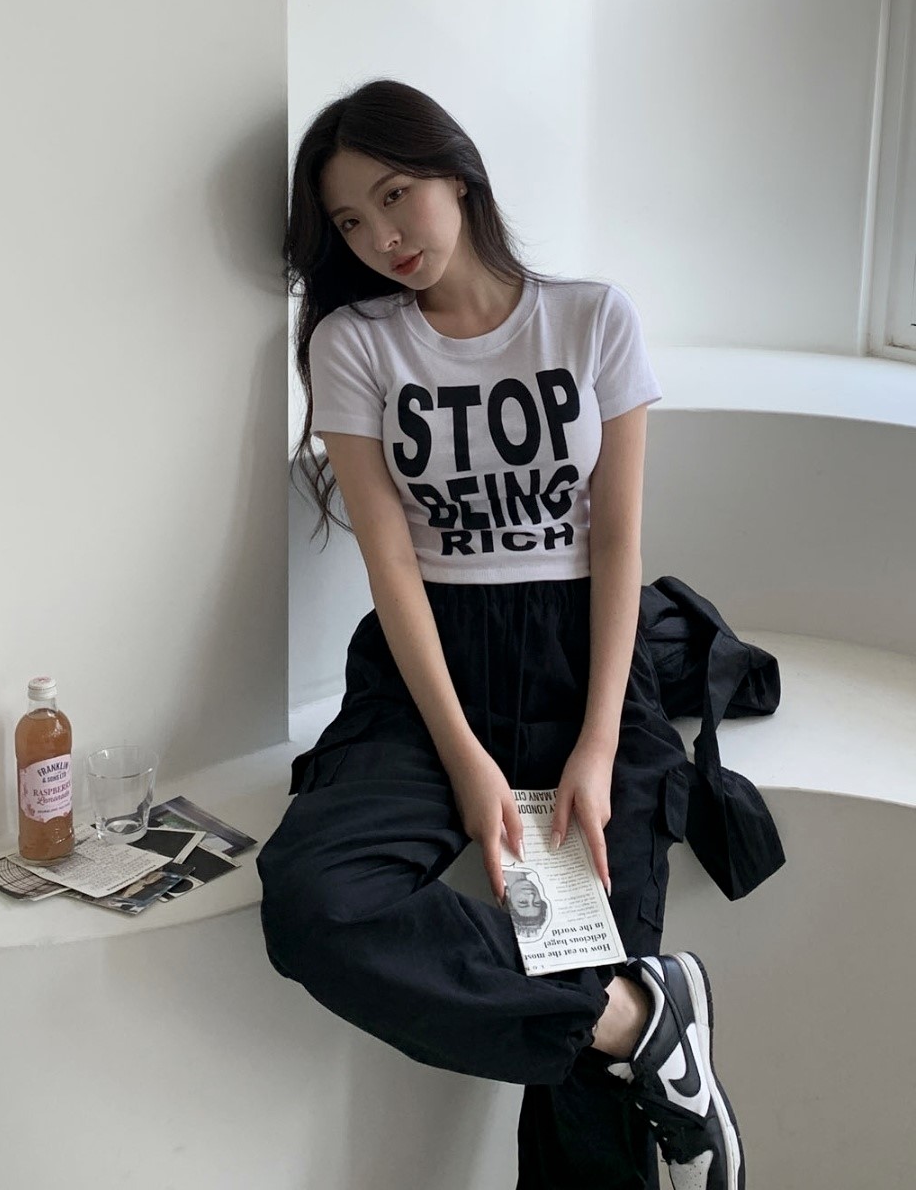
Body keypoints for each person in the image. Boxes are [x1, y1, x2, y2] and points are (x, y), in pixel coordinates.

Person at [256, 79, 745, 1190]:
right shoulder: (353, 343)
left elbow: (616, 542)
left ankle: (623, 1021)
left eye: (396, 195)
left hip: (579, 664)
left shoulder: (591, 318)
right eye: (349, 222)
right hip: (428, 674)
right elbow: (392, 567)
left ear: (458, 174)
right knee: (317, 899)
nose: (381, 237)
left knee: (582, 949)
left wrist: (598, 744)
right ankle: (639, 1020)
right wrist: (469, 762)